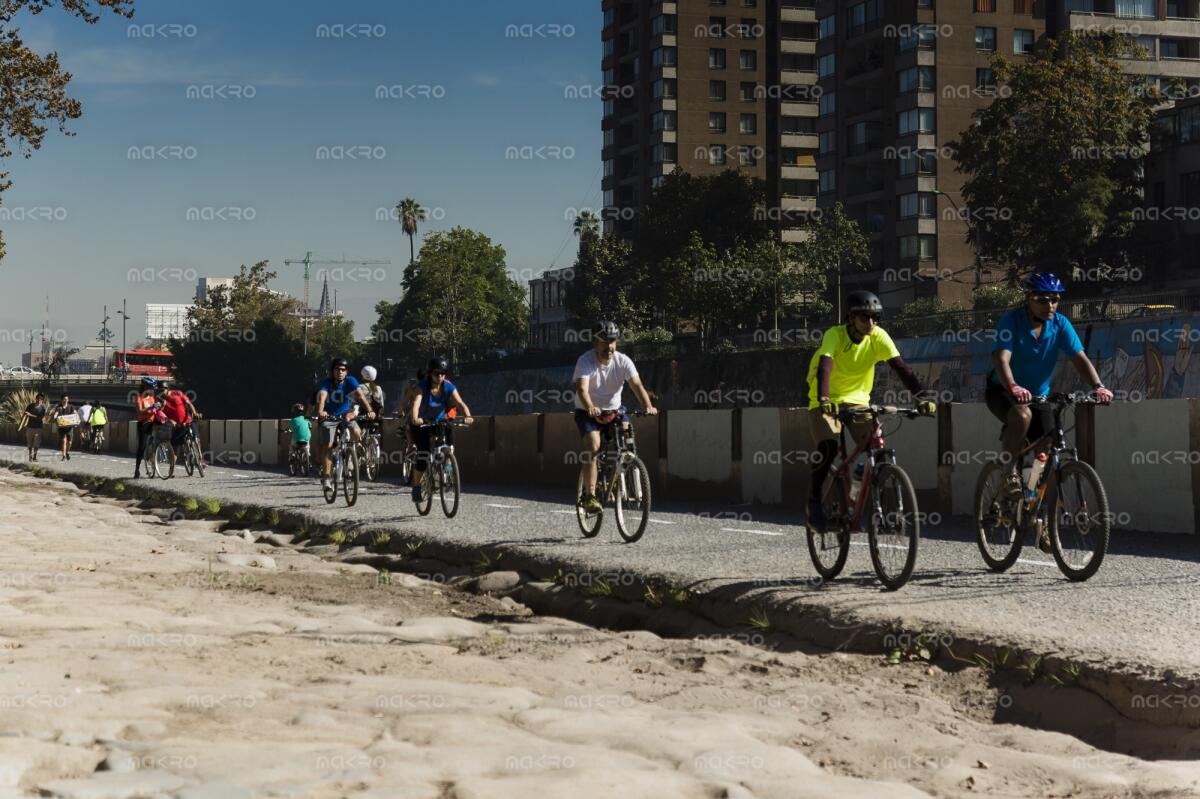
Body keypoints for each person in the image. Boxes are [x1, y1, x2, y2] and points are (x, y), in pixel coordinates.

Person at [805, 291, 937, 532]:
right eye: (865, 318)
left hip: (857, 401)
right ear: (851, 318)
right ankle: (813, 503)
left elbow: (902, 369)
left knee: (876, 448)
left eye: (875, 318)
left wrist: (921, 398)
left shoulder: (878, 337)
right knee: (829, 446)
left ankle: (860, 495)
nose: (871, 323)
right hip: (825, 400)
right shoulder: (834, 335)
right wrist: (824, 398)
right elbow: (825, 366)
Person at [988, 272, 1113, 503]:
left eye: (1055, 299)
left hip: (1039, 395)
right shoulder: (1011, 321)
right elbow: (1001, 359)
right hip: (1002, 390)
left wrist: (1098, 386)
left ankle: (1035, 508)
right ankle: (1009, 473)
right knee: (1022, 414)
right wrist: (1013, 386)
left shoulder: (1060, 324)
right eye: (1042, 299)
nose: (1050, 305)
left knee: (1046, 445)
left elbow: (1080, 359)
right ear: (1028, 298)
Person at [572, 321, 658, 514]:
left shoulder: (623, 361)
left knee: (627, 433)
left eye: (612, 341)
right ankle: (590, 495)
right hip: (588, 412)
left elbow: (636, 385)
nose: (609, 346)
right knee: (593, 445)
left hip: (614, 411)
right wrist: (590, 407)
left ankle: (621, 473)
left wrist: (648, 406)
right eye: (604, 341)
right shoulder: (585, 361)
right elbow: (582, 389)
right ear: (595, 343)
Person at [408, 356, 474, 504]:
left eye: (443, 373)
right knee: (423, 455)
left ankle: (448, 464)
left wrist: (468, 415)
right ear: (430, 373)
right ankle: (417, 486)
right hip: (421, 422)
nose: (440, 376)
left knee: (449, 430)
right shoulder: (422, 386)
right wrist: (415, 418)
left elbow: (460, 402)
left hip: (439, 420)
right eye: (437, 373)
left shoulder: (448, 386)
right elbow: (416, 404)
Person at [316, 357, 375, 494]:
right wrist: (321, 411)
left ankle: (350, 455)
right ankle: (326, 477)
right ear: (332, 371)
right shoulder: (327, 382)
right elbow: (323, 397)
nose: (340, 372)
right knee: (329, 446)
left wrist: (370, 411)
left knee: (356, 432)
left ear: (346, 372)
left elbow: (360, 396)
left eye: (343, 370)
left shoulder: (351, 380)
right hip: (329, 416)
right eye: (337, 369)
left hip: (345, 414)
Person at [159, 383, 202, 478]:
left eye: (163, 389)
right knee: (175, 448)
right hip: (178, 425)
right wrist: (169, 420)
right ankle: (171, 470)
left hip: (188, 420)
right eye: (159, 390)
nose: (162, 391)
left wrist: (195, 413)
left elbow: (188, 403)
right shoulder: (161, 400)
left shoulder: (178, 393)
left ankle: (200, 459)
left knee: (196, 437)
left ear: (167, 388)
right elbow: (161, 415)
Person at [133, 377, 160, 478]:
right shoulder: (138, 397)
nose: (153, 390)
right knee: (142, 446)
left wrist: (160, 406)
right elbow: (140, 411)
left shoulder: (152, 397)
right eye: (151, 388)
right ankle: (137, 469)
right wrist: (151, 407)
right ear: (146, 387)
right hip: (143, 423)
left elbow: (156, 409)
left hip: (153, 422)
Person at [47, 394, 78, 461]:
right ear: (61, 400)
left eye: (67, 399)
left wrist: (77, 420)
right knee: (64, 441)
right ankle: (63, 455)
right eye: (64, 399)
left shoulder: (71, 407)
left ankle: (67, 452)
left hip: (69, 427)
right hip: (62, 427)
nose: (65, 400)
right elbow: (56, 413)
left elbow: (75, 413)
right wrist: (55, 416)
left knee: (69, 442)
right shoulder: (58, 407)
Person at [22, 392, 47, 461]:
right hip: (30, 426)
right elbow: (25, 413)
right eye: (38, 398)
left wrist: (30, 415)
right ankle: (30, 456)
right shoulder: (30, 406)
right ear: (36, 399)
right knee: (29, 443)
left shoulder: (43, 408)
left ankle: (35, 457)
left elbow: (40, 418)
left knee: (36, 443)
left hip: (38, 427)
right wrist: (24, 416)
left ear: (42, 400)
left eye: (41, 398)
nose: (39, 399)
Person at [288, 402, 312, 472]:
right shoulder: (306, 419)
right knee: (307, 446)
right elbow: (310, 427)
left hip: (297, 438)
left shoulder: (292, 421)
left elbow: (290, 429)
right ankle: (308, 456)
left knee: (292, 446)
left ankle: (292, 456)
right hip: (307, 438)